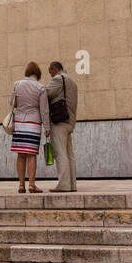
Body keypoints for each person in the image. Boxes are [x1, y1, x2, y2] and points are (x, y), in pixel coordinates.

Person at [8, 61, 50, 193]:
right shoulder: (40, 87)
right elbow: (44, 110)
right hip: (33, 123)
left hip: (20, 123)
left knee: (21, 154)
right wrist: (47, 127)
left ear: (26, 72)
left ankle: (21, 185)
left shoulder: (17, 84)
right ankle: (31, 184)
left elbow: (11, 103)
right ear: (37, 74)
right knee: (31, 155)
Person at [45, 60, 78, 192]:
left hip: (60, 121)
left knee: (60, 153)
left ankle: (63, 185)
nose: (50, 75)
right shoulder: (72, 82)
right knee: (70, 154)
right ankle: (72, 185)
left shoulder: (58, 79)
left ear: (55, 69)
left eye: (50, 72)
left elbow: (46, 93)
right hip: (70, 121)